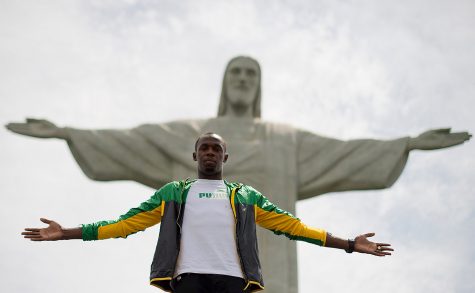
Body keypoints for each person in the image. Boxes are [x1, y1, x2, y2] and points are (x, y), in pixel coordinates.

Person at [9, 56, 470, 293]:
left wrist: (405, 143)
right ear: (197, 153)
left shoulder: (283, 141)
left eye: (252, 72)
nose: (244, 79)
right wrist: (68, 133)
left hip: (249, 279)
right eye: (236, 71)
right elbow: (130, 150)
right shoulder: (182, 150)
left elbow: (341, 158)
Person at [22, 132, 393, 293]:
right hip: (188, 280)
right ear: (196, 156)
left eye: (217, 149)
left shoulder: (245, 196)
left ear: (225, 157)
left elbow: (293, 227)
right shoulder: (175, 193)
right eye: (205, 148)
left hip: (234, 281)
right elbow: (123, 225)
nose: (211, 153)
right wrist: (67, 232)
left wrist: (347, 244)